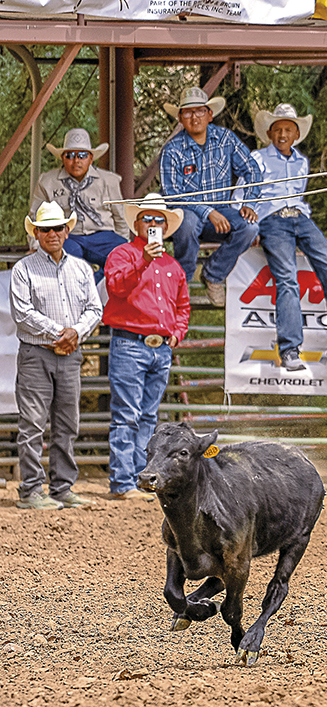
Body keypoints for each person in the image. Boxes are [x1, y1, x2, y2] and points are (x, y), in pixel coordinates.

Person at [248, 104, 327, 373]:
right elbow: (244, 192)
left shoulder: (302, 162)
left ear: (296, 134)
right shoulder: (257, 158)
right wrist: (250, 225)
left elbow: (299, 195)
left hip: (300, 217)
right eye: (277, 130)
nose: (282, 135)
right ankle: (289, 349)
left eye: (288, 129)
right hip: (272, 219)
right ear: (269, 133)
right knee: (287, 279)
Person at [9, 201, 102, 510]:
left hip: (69, 353)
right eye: (45, 228)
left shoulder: (81, 269)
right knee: (33, 422)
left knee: (67, 423)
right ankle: (32, 490)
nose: (52, 233)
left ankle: (62, 487)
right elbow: (22, 313)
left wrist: (75, 331)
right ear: (36, 233)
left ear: (66, 231)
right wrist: (63, 332)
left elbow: (95, 309)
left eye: (57, 228)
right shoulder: (24, 269)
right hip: (38, 352)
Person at [103, 193, 190, 501]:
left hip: (160, 348)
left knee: (149, 417)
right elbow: (117, 287)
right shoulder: (123, 254)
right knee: (127, 414)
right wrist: (144, 260)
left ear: (165, 227)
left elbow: (182, 305)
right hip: (130, 342)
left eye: (159, 220)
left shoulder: (173, 266)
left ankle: (141, 479)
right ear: (137, 224)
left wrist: (177, 334)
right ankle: (123, 482)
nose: (153, 224)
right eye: (148, 219)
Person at [159, 87, 261, 306]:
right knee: (187, 222)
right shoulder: (172, 150)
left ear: (209, 114)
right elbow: (172, 195)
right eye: (187, 112)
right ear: (180, 118)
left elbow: (252, 170)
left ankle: (213, 274)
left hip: (222, 212)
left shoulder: (225, 138)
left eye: (199, 111)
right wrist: (209, 211)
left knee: (250, 227)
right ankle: (182, 281)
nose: (194, 117)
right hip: (188, 212)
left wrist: (249, 202)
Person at [29, 128, 128, 282]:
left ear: (91, 158)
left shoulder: (109, 180)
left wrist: (123, 243)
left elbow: (120, 217)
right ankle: (77, 296)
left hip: (102, 235)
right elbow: (35, 216)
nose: (76, 161)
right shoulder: (47, 182)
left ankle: (93, 287)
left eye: (82, 155)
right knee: (62, 261)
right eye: (70, 155)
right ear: (62, 158)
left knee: (126, 258)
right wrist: (35, 246)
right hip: (67, 236)